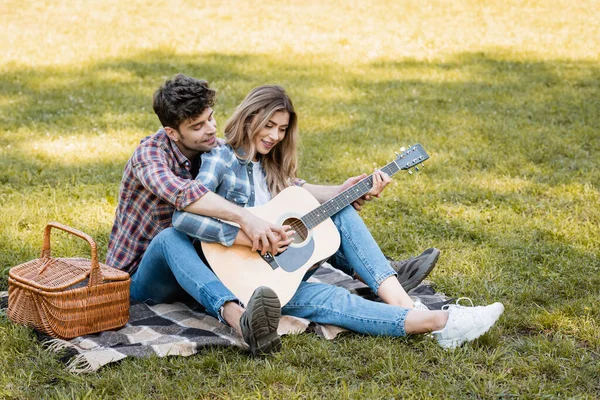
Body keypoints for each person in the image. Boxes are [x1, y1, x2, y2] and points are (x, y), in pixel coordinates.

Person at [107, 74, 440, 355]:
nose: (211, 130)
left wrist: (344, 189)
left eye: (211, 118)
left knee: (329, 216)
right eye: (198, 126)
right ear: (172, 132)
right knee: (170, 236)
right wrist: (248, 225)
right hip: (143, 272)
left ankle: (383, 282)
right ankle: (242, 320)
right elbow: (185, 199)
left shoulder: (214, 149)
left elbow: (289, 189)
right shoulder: (151, 156)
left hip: (203, 265)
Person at [171, 84, 505, 353]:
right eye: (268, 125)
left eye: (282, 129)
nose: (274, 136)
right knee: (332, 298)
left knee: (339, 225)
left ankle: (425, 316)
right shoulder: (220, 159)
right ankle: (432, 317)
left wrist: (350, 190)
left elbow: (300, 195)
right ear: (248, 119)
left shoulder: (272, 166)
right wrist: (247, 232)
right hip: (240, 277)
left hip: (285, 272)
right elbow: (185, 215)